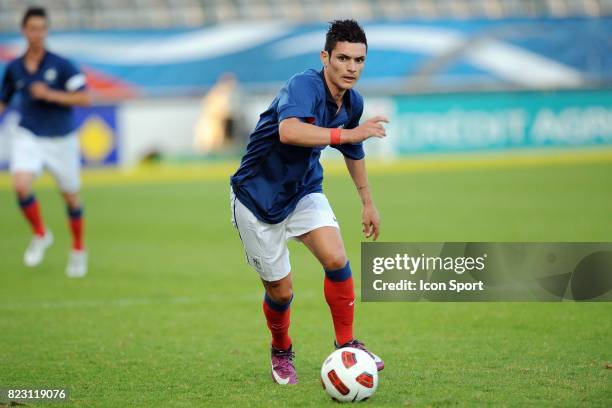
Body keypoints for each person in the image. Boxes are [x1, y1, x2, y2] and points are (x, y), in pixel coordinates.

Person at [230, 19, 387, 385]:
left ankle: (347, 345)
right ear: (325, 57)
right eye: (344, 58)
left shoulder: (353, 101)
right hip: (257, 199)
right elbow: (289, 130)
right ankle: (281, 349)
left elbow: (353, 148)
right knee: (281, 292)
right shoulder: (303, 85)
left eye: (359, 60)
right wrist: (346, 133)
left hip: (302, 191)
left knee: (336, 258)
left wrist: (368, 202)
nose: (351, 68)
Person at [0, 7, 91, 277]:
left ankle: (78, 249)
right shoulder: (14, 68)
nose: (37, 34)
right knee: (20, 184)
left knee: (71, 197)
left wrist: (51, 94)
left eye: (41, 28)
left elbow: (85, 98)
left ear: (47, 31)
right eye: (32, 28)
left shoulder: (62, 64)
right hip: (29, 134)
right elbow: (4, 101)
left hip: (61, 138)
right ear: (24, 31)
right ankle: (41, 233)